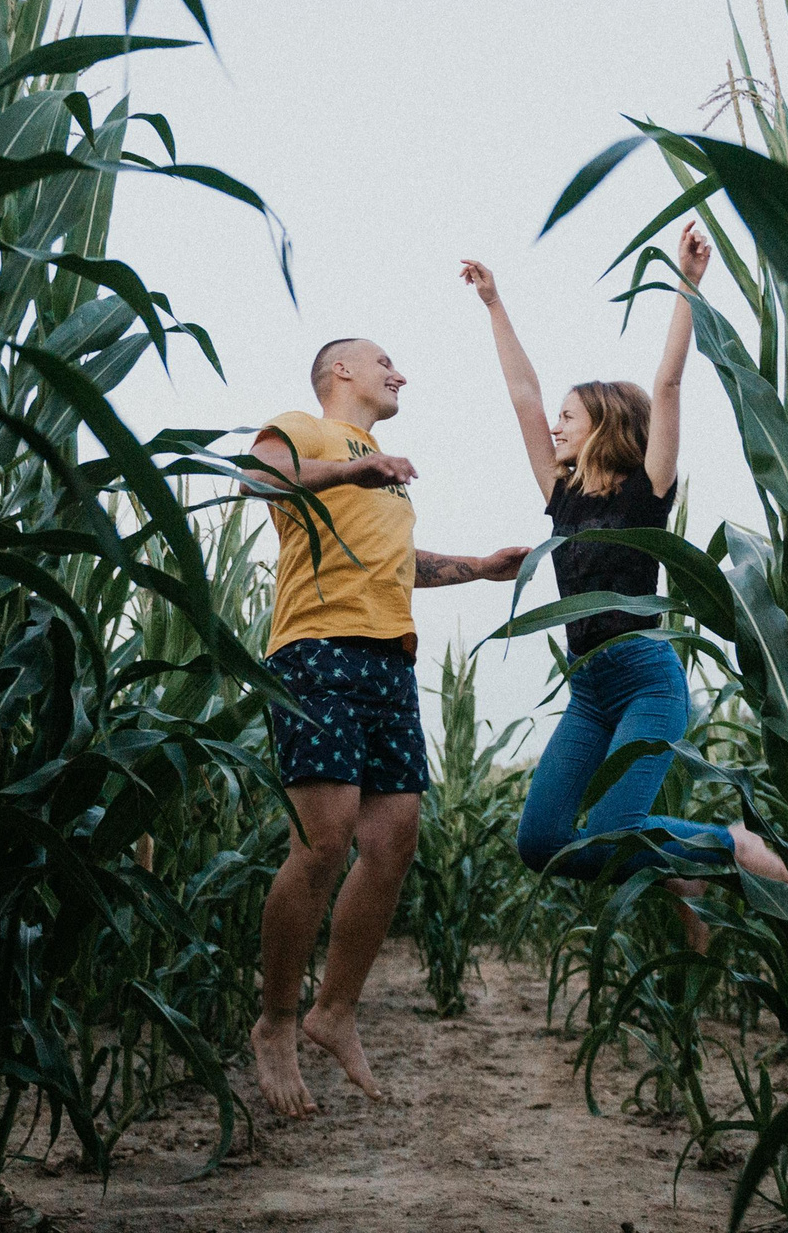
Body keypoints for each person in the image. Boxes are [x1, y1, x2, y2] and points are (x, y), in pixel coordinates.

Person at [458, 224, 788, 941]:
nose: (554, 426)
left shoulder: (646, 492)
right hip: (589, 689)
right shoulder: (563, 496)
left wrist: (688, 285)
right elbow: (523, 396)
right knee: (541, 843)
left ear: (605, 424)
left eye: (569, 418)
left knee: (613, 834)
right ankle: (685, 861)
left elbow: (667, 384)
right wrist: (494, 304)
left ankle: (728, 846)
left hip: (646, 681)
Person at [242, 337, 526, 1120]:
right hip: (317, 651)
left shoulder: (383, 476)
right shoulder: (302, 427)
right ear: (342, 371)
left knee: (395, 838)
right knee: (324, 840)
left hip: (387, 660)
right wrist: (350, 468)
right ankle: (274, 1021)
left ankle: (333, 1011)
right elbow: (257, 478)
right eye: (385, 362)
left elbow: (400, 564)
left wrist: (477, 565)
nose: (400, 372)